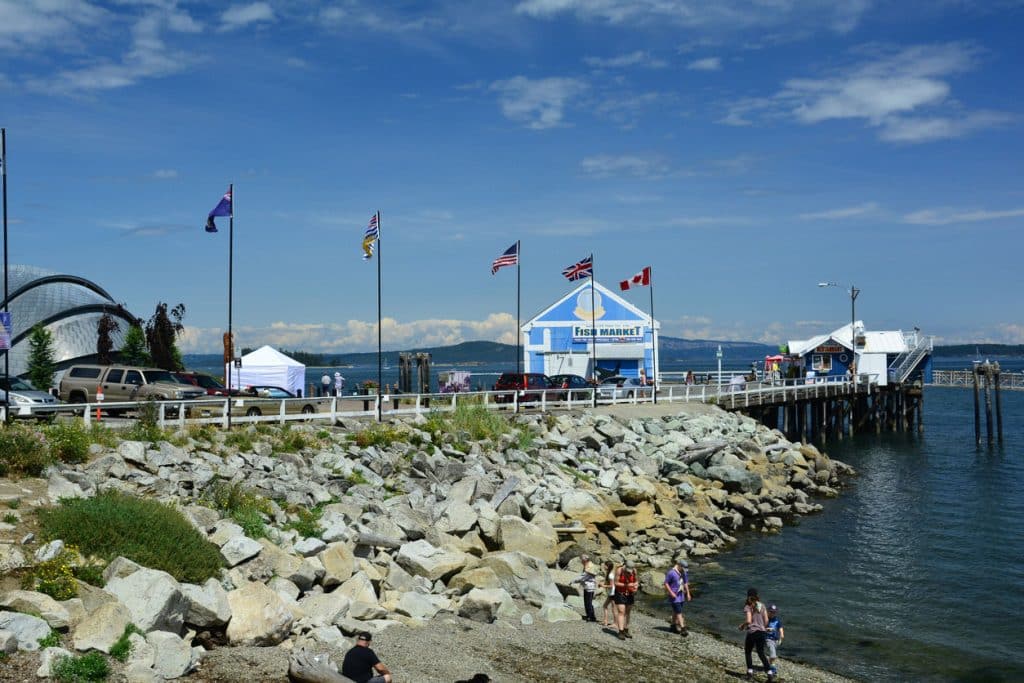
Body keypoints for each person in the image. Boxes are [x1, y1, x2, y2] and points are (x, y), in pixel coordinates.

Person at [738, 588, 772, 681]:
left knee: (748, 652)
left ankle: (749, 673)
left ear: (748, 596)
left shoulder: (748, 606)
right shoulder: (763, 606)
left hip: (752, 632)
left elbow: (748, 621)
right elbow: (766, 621)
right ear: (757, 596)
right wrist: (763, 627)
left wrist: (742, 625)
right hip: (762, 632)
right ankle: (769, 673)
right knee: (761, 653)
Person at [663, 557, 691, 636]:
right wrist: (671, 592)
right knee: (679, 611)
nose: (684, 571)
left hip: (681, 595)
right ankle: (683, 628)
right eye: (683, 569)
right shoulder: (671, 573)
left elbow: (685, 583)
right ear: (679, 566)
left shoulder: (683, 573)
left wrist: (688, 593)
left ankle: (673, 626)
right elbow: (666, 583)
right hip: (674, 596)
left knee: (676, 611)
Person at [612, 559, 639, 640]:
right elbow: (616, 583)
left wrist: (636, 587)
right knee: (621, 612)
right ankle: (620, 631)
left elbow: (636, 581)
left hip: (630, 594)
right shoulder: (619, 570)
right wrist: (627, 585)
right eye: (628, 571)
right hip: (620, 593)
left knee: (627, 613)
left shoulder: (634, 571)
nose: (629, 572)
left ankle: (626, 630)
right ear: (625, 566)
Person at [570, 554, 598, 622]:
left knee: (588, 602)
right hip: (588, 586)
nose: (581, 562)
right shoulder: (589, 565)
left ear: (584, 560)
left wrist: (573, 581)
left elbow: (583, 577)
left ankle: (591, 617)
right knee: (587, 602)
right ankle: (589, 616)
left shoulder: (589, 567)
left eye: (582, 560)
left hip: (589, 587)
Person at [766, 604, 784, 679]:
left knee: (772, 654)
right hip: (768, 639)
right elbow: (760, 627)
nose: (772, 613)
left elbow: (780, 628)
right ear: (768, 611)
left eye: (774, 612)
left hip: (776, 640)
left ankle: (768, 664)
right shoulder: (765, 619)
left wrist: (781, 637)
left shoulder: (777, 620)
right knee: (773, 655)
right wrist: (767, 629)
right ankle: (772, 668)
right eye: (771, 612)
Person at [600, 560, 616, 627]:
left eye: (605, 565)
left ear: (608, 566)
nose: (603, 566)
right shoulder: (609, 573)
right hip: (611, 593)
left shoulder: (610, 575)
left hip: (613, 593)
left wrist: (603, 586)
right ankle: (605, 621)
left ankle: (615, 624)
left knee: (613, 608)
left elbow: (612, 585)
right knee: (605, 606)